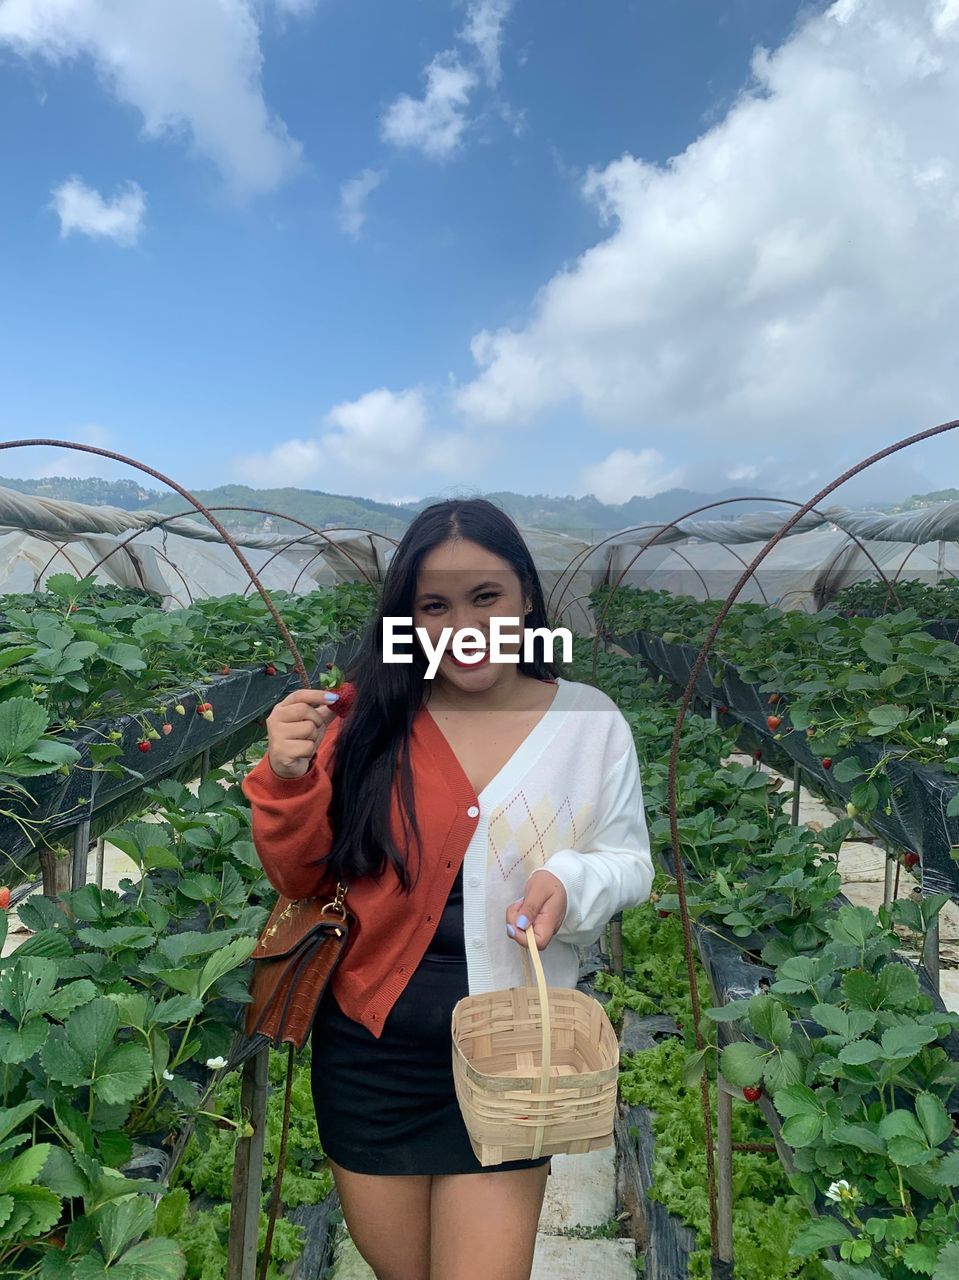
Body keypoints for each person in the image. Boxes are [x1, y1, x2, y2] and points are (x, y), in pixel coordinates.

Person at [242, 498, 653, 1280]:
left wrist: (571, 879)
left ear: (526, 597)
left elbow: (628, 860)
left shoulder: (589, 724)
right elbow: (302, 877)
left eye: (485, 597)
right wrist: (288, 778)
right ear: (408, 619)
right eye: (435, 605)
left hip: (509, 1062)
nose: (464, 625)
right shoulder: (364, 722)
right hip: (370, 1058)